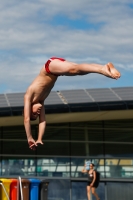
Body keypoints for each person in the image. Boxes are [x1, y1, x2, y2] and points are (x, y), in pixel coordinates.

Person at [23, 56, 121, 150]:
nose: (38, 113)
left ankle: (103, 69)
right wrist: (39, 138)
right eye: (37, 115)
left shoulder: (29, 96)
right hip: (55, 71)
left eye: (35, 113)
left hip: (49, 67)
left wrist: (29, 138)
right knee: (79, 70)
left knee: (75, 70)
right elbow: (42, 121)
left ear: (29, 109)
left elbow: (26, 119)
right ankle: (104, 68)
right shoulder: (41, 100)